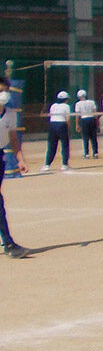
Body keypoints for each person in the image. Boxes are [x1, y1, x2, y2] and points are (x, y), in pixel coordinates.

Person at [0, 76, 28, 257]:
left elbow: (13, 139)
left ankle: (9, 244)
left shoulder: (10, 114)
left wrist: (21, 159)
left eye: (5, 91)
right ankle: (9, 243)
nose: (3, 94)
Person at [45, 91, 71, 170]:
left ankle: (47, 165)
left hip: (52, 125)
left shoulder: (53, 106)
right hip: (62, 124)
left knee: (51, 146)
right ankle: (64, 164)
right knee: (65, 145)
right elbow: (67, 119)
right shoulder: (66, 106)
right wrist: (68, 129)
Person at [74, 89, 99, 158]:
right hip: (91, 119)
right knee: (94, 137)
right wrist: (96, 121)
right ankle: (95, 153)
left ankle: (86, 153)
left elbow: (77, 115)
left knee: (85, 138)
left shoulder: (78, 104)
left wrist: (77, 124)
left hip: (84, 119)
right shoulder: (91, 102)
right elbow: (95, 112)